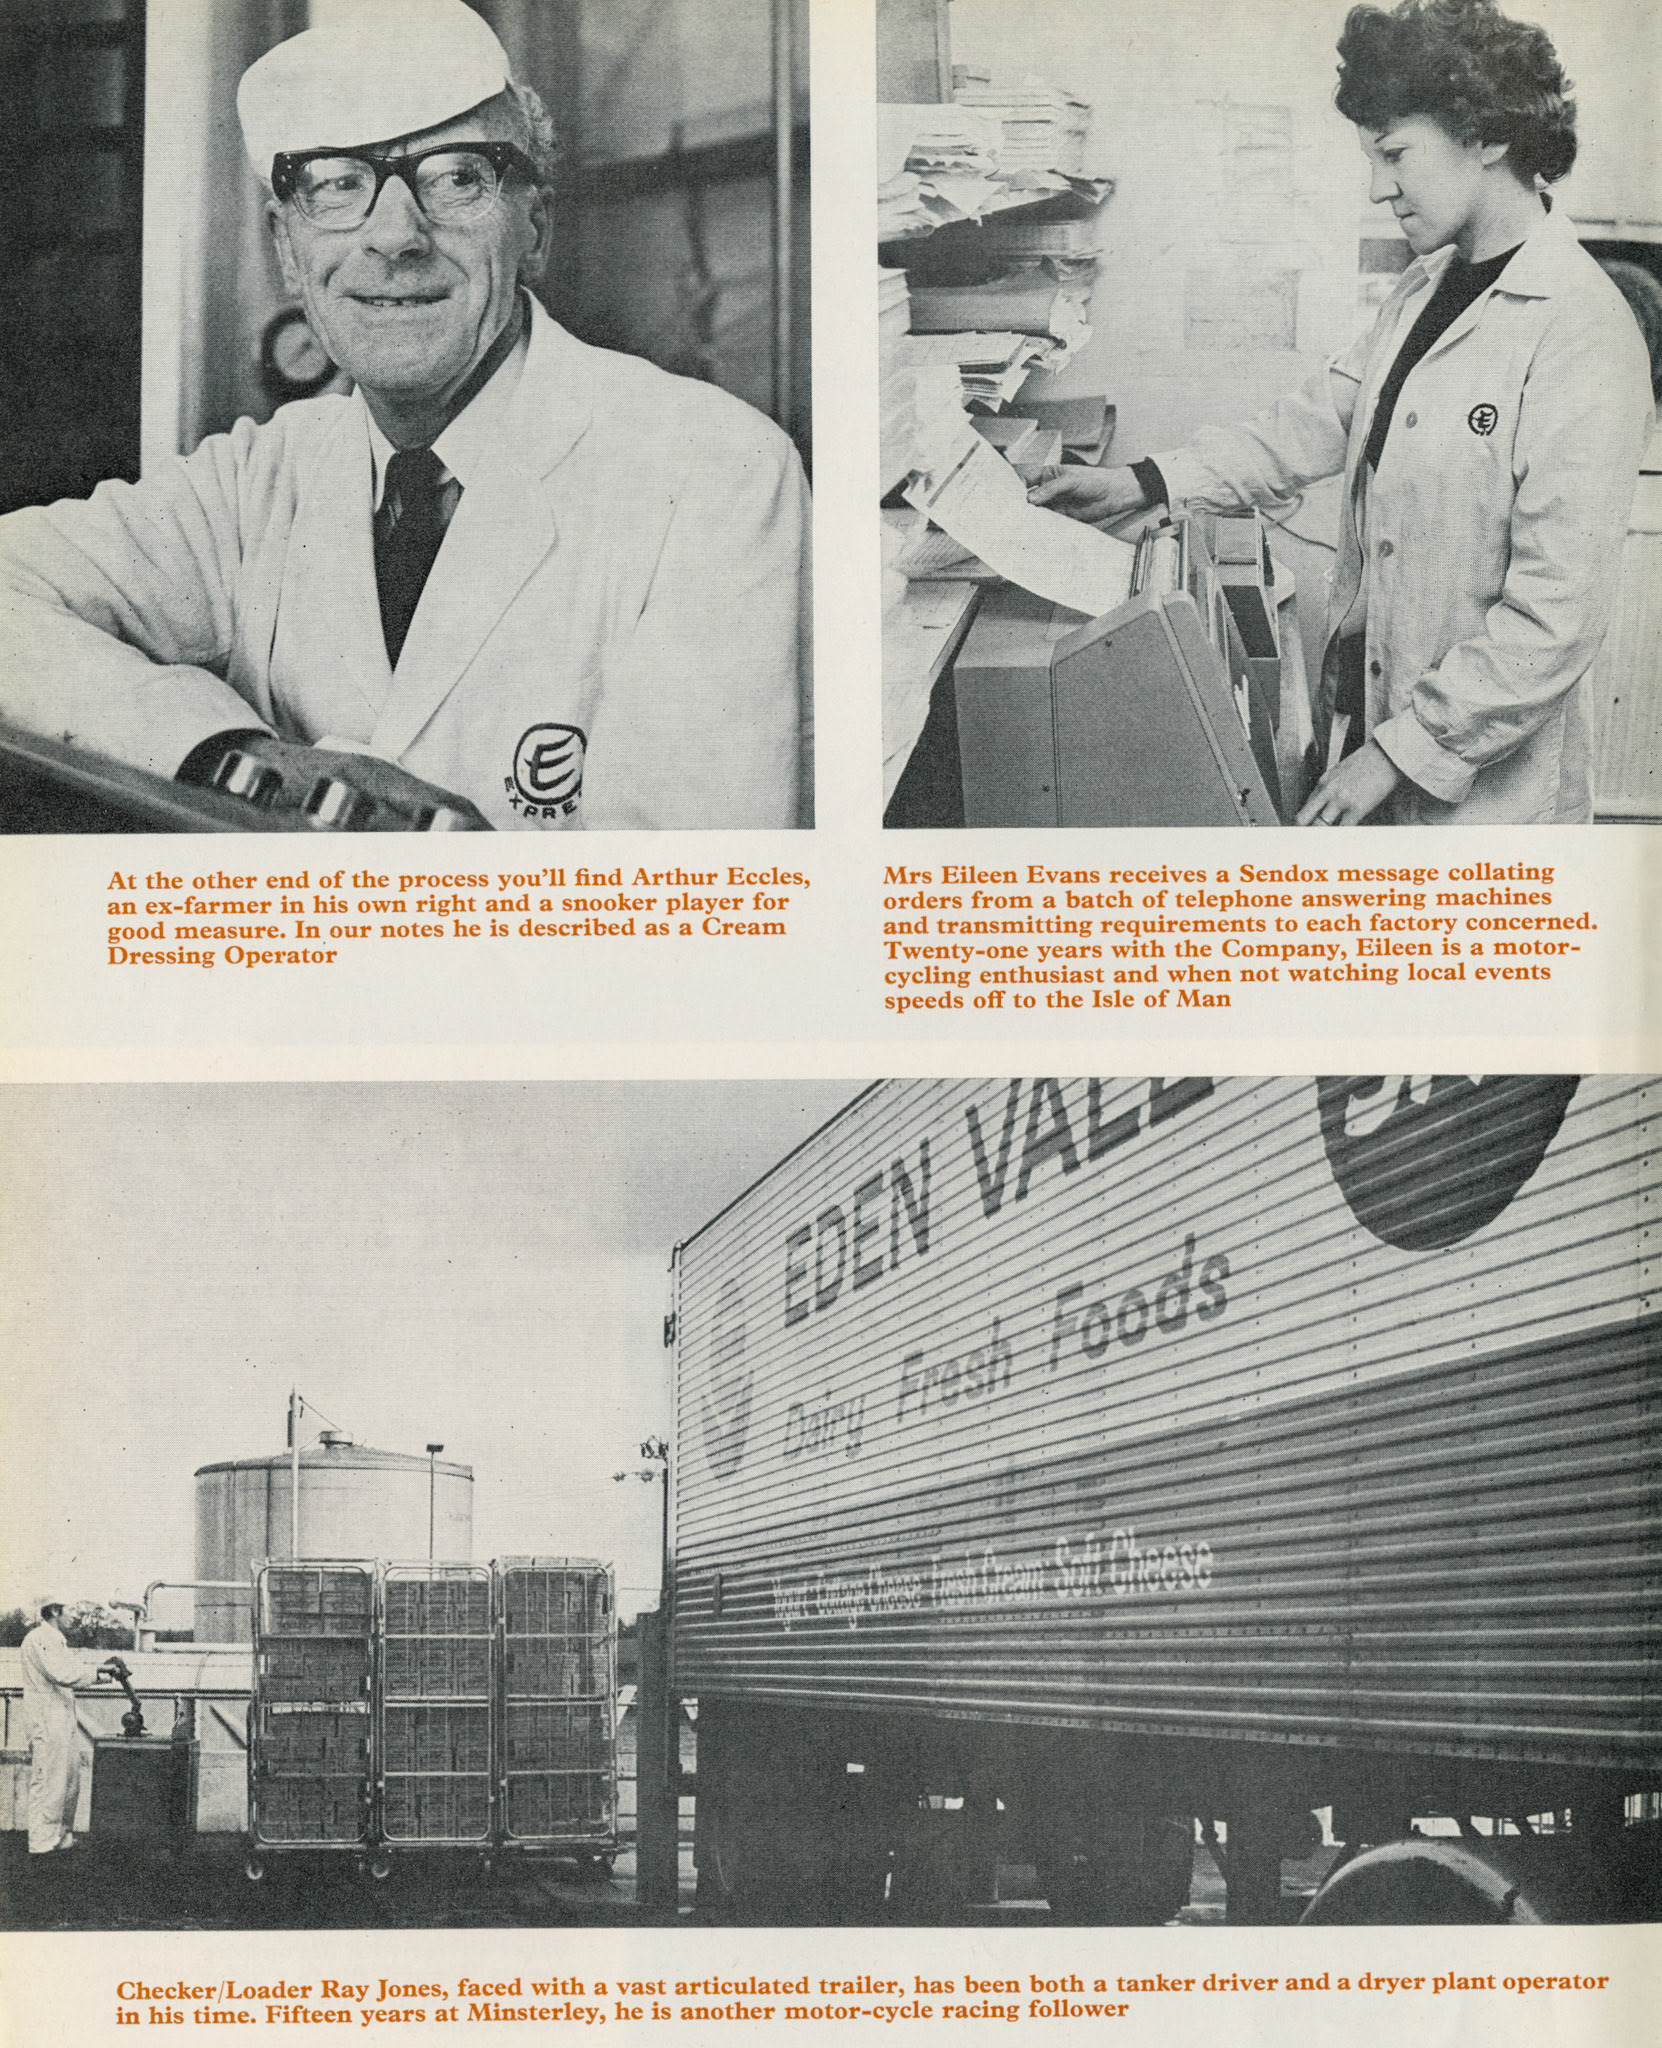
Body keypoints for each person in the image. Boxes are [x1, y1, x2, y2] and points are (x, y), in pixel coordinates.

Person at [0, 0, 809, 831]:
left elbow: (685, 903)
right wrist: (231, 757)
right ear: (287, 249)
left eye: (457, 177)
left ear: (534, 225)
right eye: (339, 184)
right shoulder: (255, 479)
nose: (396, 235)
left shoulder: (713, 471)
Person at [1030, 0, 1652, 827]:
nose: (1377, 187)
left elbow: (1556, 619)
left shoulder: (1580, 327)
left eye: (1395, 154)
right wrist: (1140, 481)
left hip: (1489, 805)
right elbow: (1312, 425)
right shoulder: (1426, 286)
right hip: (1378, 733)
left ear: (1488, 136)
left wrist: (1401, 749)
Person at [21, 1599, 119, 1857]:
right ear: (54, 1611)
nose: (75, 1617)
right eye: (71, 1610)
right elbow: (62, 1674)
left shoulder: (56, 1639)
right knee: (48, 1780)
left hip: (61, 1717)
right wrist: (100, 1673)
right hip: (46, 1718)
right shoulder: (40, 1637)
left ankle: (61, 1836)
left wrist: (104, 1672)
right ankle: (41, 1842)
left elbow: (72, 1670)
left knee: (68, 1779)